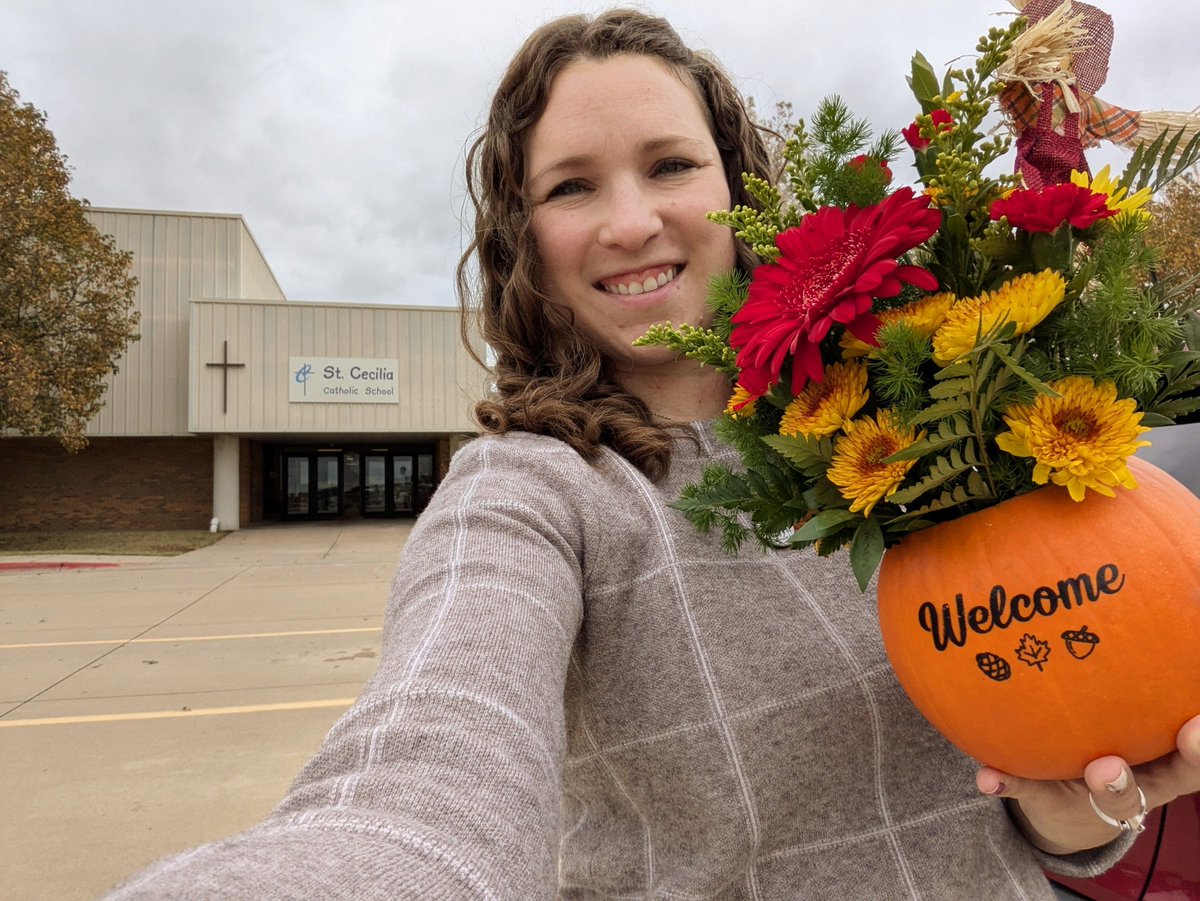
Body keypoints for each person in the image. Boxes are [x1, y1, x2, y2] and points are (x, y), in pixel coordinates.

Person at [105, 9, 1200, 899]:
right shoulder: (534, 490)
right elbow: (433, 756)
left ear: (738, 190)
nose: (630, 223)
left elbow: (1023, 768)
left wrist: (1070, 812)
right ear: (524, 237)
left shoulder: (910, 428)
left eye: (669, 164)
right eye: (571, 185)